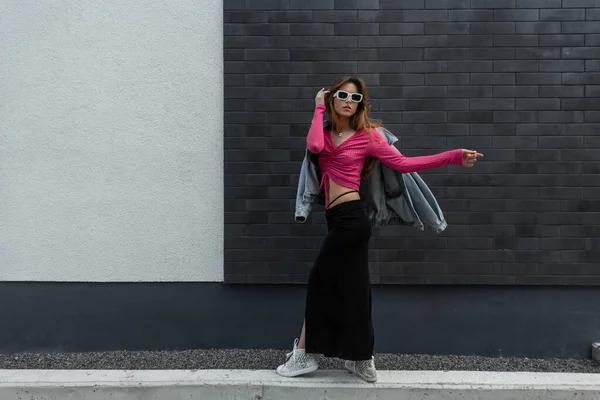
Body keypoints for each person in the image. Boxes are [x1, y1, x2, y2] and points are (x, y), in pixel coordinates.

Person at [276, 76, 483, 383]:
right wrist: (318, 109)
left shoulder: (370, 136)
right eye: (343, 95)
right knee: (355, 289)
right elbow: (314, 146)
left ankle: (305, 354)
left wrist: (452, 157)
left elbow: (405, 164)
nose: (349, 101)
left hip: (352, 219)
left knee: (321, 279)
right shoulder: (327, 132)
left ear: (361, 104)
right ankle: (361, 358)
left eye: (355, 98)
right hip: (336, 219)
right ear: (333, 98)